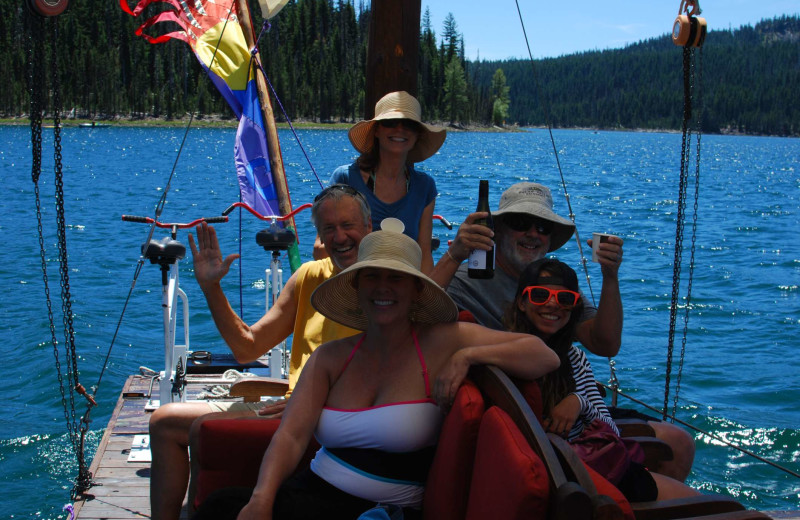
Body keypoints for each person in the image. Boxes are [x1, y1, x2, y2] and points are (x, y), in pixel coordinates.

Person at [193, 226, 560, 520]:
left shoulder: (444, 341)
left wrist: (468, 356)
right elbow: (290, 437)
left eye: (396, 278)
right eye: (372, 276)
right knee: (222, 506)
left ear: (417, 289)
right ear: (357, 286)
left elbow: (543, 356)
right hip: (309, 493)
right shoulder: (330, 357)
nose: (383, 287)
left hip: (383, 513)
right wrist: (261, 500)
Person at [429, 181, 695, 482]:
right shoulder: (467, 279)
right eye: (520, 223)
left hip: (563, 409)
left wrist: (610, 277)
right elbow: (419, 315)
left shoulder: (554, 285)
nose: (533, 233)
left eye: (543, 227)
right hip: (534, 429)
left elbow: (604, 343)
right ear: (497, 229)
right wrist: (454, 256)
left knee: (679, 442)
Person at [148, 185, 372, 520]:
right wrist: (211, 287)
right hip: (288, 405)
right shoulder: (309, 276)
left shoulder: (384, 285)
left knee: (202, 430)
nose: (339, 237)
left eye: (348, 225)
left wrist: (309, 407)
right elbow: (247, 347)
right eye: (329, 229)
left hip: (323, 421)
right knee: (164, 422)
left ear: (369, 228)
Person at [505, 258, 699, 501]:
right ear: (521, 303)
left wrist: (578, 402)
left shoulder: (574, 358)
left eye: (565, 299)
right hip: (575, 474)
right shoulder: (508, 354)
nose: (552, 304)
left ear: (574, 308)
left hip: (583, 464)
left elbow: (610, 428)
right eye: (540, 295)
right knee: (696, 503)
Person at [328, 90, 445, 274]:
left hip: (402, 288)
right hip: (352, 284)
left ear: (417, 136)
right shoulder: (345, 178)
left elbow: (424, 252)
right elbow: (323, 247)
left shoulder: (425, 187)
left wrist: (427, 299)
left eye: (409, 124)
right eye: (390, 123)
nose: (400, 129)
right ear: (376, 130)